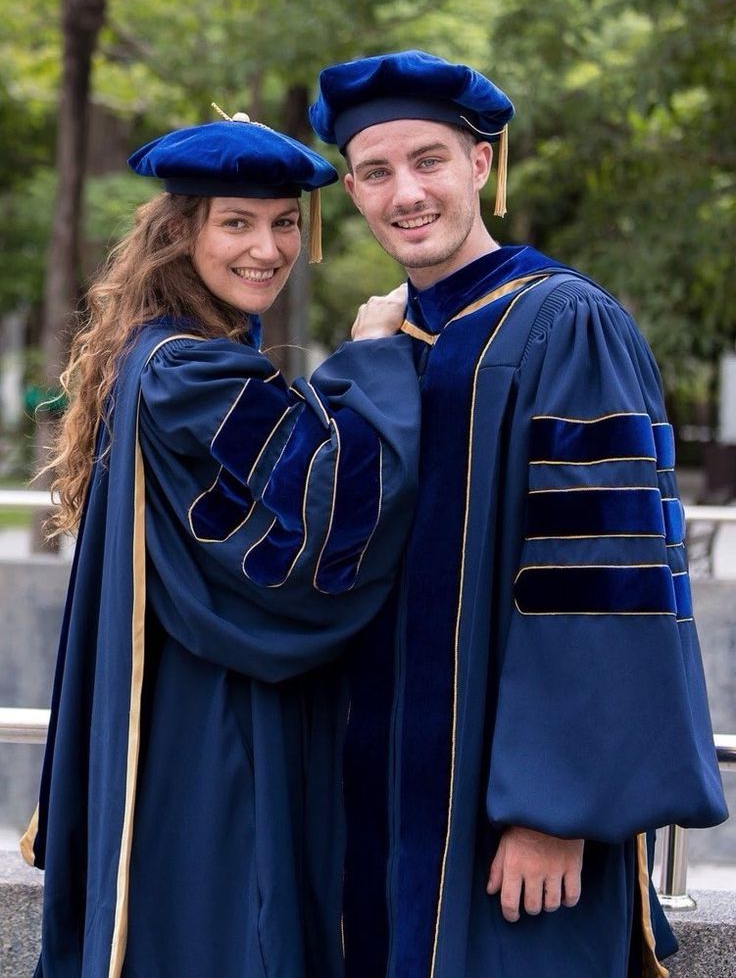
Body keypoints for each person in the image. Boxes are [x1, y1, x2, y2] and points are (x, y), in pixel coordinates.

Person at [309, 50, 728, 977]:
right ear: (352, 191)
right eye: (376, 172)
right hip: (380, 803)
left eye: (429, 160)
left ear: (482, 165)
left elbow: (603, 581)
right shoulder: (393, 341)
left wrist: (554, 809)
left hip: (512, 826)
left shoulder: (563, 322)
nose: (405, 192)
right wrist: (364, 365)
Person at [21, 113, 420, 978]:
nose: (268, 249)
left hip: (173, 706)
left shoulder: (152, 356)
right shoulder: (190, 374)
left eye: (283, 223)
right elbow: (327, 515)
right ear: (181, 234)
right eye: (236, 223)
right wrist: (376, 358)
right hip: (213, 722)